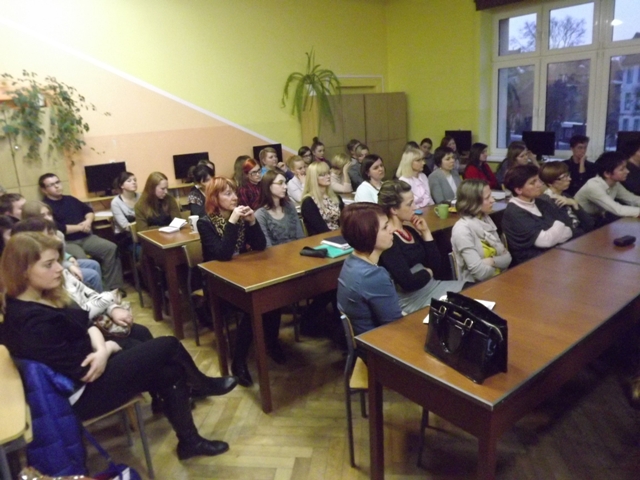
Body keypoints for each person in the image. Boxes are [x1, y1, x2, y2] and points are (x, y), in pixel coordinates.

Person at [0, 232, 238, 460]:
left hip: (91, 367)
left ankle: (190, 442)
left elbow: (86, 323)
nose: (59, 268)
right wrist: (109, 348)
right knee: (169, 345)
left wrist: (102, 348)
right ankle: (201, 385)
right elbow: (85, 370)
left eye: (56, 261)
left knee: (170, 370)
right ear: (23, 271)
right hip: (80, 394)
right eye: (48, 264)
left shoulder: (41, 296)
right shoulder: (29, 323)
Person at [197, 177, 283, 386]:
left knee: (274, 296)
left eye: (234, 192)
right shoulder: (205, 223)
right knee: (250, 308)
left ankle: (272, 343)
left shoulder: (242, 217)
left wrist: (252, 221)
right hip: (218, 284)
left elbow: (260, 246)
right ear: (214, 198)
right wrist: (233, 222)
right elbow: (222, 254)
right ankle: (239, 361)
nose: (234, 197)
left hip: (243, 274)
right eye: (227, 194)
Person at [378, 180, 465, 314]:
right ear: (394, 209)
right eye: (409, 204)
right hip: (415, 299)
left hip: (432, 286)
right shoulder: (388, 241)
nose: (415, 207)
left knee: (473, 290)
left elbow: (436, 265)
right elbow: (408, 283)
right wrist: (428, 272)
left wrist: (425, 232)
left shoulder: (409, 230)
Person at [39, 173, 124, 292]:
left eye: (57, 182)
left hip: (87, 237)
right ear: (44, 190)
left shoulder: (70, 199)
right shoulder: (45, 207)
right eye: (51, 185)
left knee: (111, 248)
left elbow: (89, 211)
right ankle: (98, 292)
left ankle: (114, 287)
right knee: (84, 260)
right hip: (68, 242)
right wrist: (80, 227)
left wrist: (88, 221)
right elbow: (58, 228)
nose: (57, 186)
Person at [336, 203, 402, 336]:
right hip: (379, 342)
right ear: (367, 234)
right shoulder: (372, 276)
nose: (392, 229)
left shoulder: (351, 260)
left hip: (366, 338)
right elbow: (396, 325)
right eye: (385, 227)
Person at [22, 201, 104, 292]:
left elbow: (60, 254)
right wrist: (69, 265)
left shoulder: (58, 234)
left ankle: (97, 295)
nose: (48, 218)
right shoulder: (31, 240)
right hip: (52, 269)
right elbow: (50, 262)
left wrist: (69, 257)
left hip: (61, 262)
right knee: (92, 275)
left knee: (93, 264)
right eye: (43, 216)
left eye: (49, 214)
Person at [502, 165, 575, 266]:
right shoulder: (514, 213)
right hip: (531, 264)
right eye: (533, 183)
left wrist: (552, 233)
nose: (539, 185)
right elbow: (545, 241)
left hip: (554, 255)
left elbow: (569, 229)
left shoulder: (541, 202)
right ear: (518, 190)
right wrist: (559, 225)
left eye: (538, 180)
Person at [451, 179, 511, 283]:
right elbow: (480, 273)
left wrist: (491, 261)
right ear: (473, 202)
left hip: (499, 278)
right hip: (476, 285)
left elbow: (508, 258)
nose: (493, 200)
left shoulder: (485, 218)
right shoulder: (462, 230)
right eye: (487, 198)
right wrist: (499, 263)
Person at [575, 151, 640, 222]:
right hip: (579, 222)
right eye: (622, 169)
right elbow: (618, 210)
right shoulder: (593, 186)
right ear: (607, 174)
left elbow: (632, 199)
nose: (627, 171)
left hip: (594, 220)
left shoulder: (615, 184)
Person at [538, 161, 594, 237]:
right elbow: (565, 229)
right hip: (571, 239)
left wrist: (575, 204)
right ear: (550, 183)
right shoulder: (546, 201)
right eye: (564, 177)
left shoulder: (566, 196)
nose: (569, 179)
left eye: (568, 175)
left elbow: (590, 223)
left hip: (580, 236)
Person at [255, 170, 305, 247]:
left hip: (297, 250)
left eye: (285, 183)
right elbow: (267, 246)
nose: (285, 186)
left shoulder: (289, 205)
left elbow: (300, 236)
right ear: (268, 186)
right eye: (280, 183)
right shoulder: (260, 214)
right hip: (275, 253)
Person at [300, 162, 345, 235]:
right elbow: (319, 228)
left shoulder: (336, 197)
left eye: (328, 173)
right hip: (321, 237)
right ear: (314, 178)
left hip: (340, 234)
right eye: (322, 175)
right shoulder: (308, 202)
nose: (328, 176)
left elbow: (344, 221)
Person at [110, 171, 140, 250]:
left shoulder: (141, 197)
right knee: (144, 250)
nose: (134, 182)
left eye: (135, 180)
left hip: (141, 232)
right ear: (121, 185)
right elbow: (125, 226)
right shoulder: (116, 202)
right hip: (125, 236)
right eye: (129, 181)